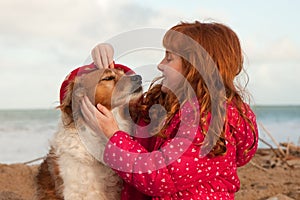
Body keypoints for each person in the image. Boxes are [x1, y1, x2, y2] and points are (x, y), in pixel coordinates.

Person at [79, 21, 258, 199]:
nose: (160, 65)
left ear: (193, 67)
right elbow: (80, 92)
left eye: (169, 58)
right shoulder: (165, 103)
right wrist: (102, 64)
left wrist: (113, 135)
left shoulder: (208, 120)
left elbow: (159, 178)